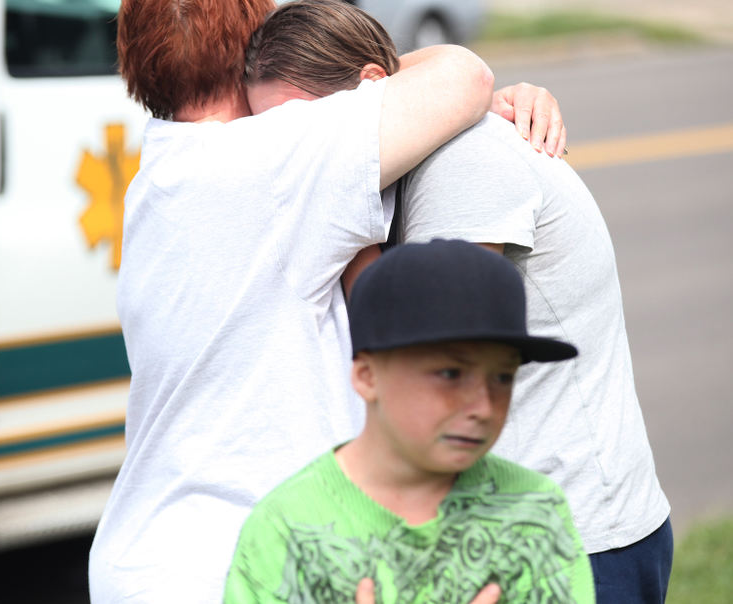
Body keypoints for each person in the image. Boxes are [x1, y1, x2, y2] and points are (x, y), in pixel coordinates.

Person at [89, 0, 567, 603]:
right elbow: (461, 77)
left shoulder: (161, 176)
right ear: (247, 49)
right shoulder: (272, 158)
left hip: (142, 554)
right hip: (238, 563)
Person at [243, 0, 672, 603]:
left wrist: (344, 233)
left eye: (304, 129)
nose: (297, 157)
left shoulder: (462, 161)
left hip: (570, 540)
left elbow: (418, 347)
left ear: (371, 88)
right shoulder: (407, 154)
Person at [224, 238, 595, 603]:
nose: (482, 407)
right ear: (368, 376)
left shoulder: (533, 513)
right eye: (451, 374)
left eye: (502, 377)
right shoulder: (287, 529)